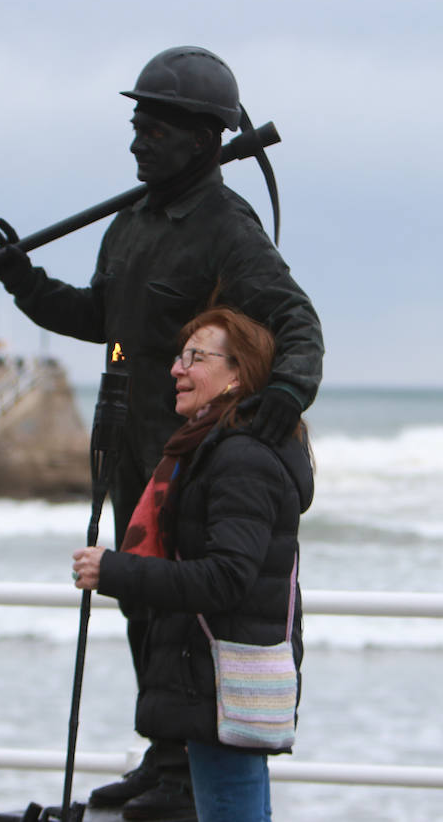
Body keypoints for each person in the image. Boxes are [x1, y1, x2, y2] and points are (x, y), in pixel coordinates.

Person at [0, 45, 323, 819]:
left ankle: (181, 772)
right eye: (135, 126)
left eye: (155, 132)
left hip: (189, 456)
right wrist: (23, 281)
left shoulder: (227, 228)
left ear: (203, 141)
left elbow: (295, 319)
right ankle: (167, 757)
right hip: (129, 442)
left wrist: (291, 387)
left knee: (176, 605)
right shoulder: (132, 222)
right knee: (140, 602)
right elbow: (104, 318)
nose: (137, 143)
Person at [71, 307, 312, 822]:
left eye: (195, 357)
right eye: (179, 357)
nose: (177, 369)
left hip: (225, 682)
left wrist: (113, 571)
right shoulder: (210, 448)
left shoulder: (240, 457)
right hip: (213, 680)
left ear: (238, 374)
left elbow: (226, 579)